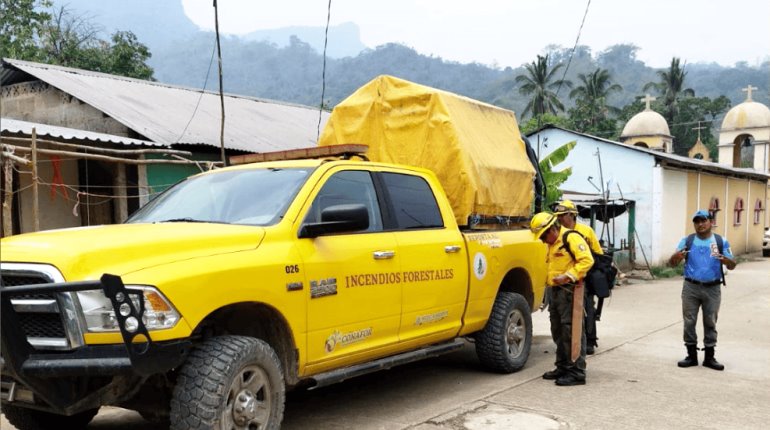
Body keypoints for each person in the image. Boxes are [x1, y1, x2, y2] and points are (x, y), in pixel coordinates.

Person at [530, 211, 594, 386]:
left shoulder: (571, 238)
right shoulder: (552, 244)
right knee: (558, 330)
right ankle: (563, 366)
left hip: (571, 290)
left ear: (552, 229)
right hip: (555, 291)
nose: (542, 240)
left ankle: (577, 371)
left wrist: (568, 276)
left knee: (572, 331)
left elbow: (587, 260)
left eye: (543, 236)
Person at [668, 209, 736, 371]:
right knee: (689, 321)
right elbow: (671, 263)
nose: (700, 224)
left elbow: (732, 265)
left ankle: (709, 357)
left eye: (703, 220)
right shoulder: (687, 241)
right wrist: (676, 257)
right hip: (690, 287)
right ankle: (691, 356)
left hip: (713, 287)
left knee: (710, 321)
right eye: (697, 221)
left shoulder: (720, 241)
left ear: (711, 222)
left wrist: (726, 260)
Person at [554, 200, 604, 355]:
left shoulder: (586, 231)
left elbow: (597, 254)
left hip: (584, 277)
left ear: (572, 215)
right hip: (564, 280)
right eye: (559, 216)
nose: (560, 219)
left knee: (587, 308)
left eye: (563, 215)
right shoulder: (558, 233)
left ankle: (590, 340)